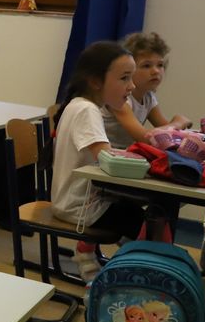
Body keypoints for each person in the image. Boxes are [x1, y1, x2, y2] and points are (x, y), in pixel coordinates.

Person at [51, 41, 149, 280]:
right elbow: (108, 161)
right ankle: (132, 278)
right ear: (96, 81)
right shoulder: (87, 110)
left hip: (77, 201)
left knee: (140, 214)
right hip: (80, 207)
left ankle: (113, 266)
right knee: (143, 221)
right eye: (124, 78)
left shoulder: (81, 105)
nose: (132, 85)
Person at [103, 31, 192, 148]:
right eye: (146, 65)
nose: (156, 71)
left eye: (160, 65)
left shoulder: (148, 97)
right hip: (101, 155)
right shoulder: (119, 98)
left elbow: (167, 133)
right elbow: (146, 138)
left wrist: (178, 127)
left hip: (122, 153)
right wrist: (177, 123)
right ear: (128, 69)